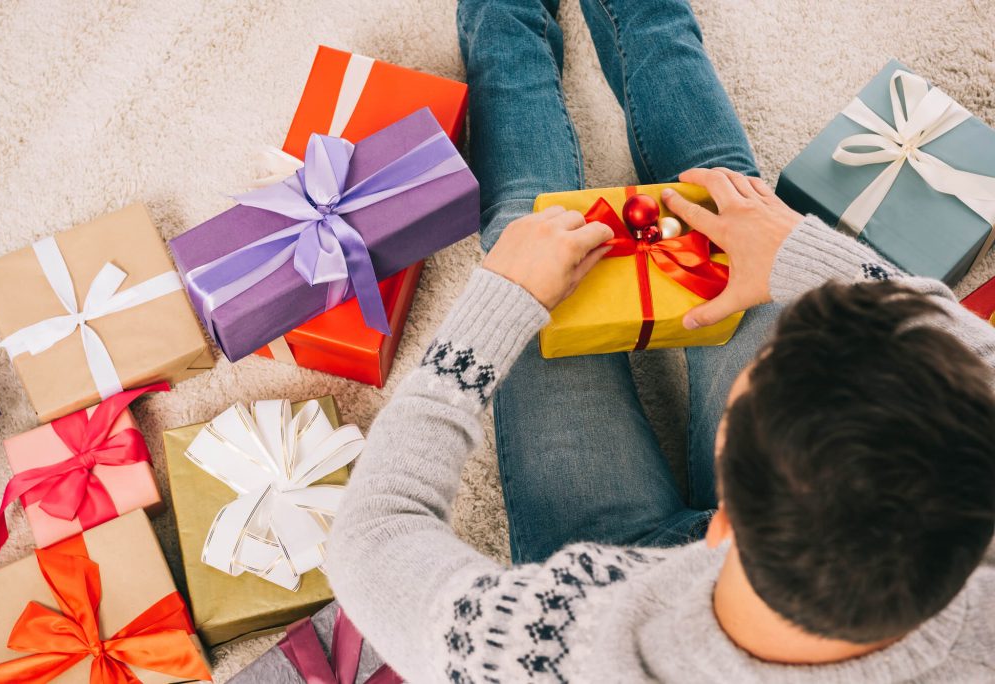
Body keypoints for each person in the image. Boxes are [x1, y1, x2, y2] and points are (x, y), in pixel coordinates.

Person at [326, 0, 995, 681]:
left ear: (725, 528)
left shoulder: (553, 650)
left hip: (616, 570)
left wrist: (497, 301)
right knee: (730, 197)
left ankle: (502, 18)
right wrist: (799, 249)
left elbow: (369, 542)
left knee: (528, 221)